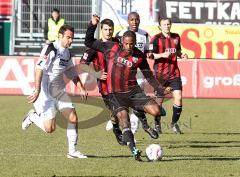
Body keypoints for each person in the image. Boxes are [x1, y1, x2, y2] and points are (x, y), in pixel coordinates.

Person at [85, 15, 165, 161]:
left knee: (156, 111)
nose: (129, 47)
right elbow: (88, 41)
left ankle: (144, 116)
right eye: (127, 44)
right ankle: (134, 151)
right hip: (116, 94)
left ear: (135, 43)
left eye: (132, 44)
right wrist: (92, 25)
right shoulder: (111, 47)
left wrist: (159, 89)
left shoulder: (139, 56)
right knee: (124, 121)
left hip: (134, 91)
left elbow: (148, 75)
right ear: (122, 42)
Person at [22, 25, 88, 158]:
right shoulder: (51, 48)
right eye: (68, 37)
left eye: (72, 38)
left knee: (73, 117)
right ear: (60, 36)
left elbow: (71, 72)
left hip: (60, 91)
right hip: (46, 92)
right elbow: (39, 69)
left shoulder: (68, 53)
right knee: (50, 129)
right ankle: (33, 116)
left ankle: (72, 151)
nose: (70, 41)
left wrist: (81, 87)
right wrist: (37, 89)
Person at [114, 11, 166, 135]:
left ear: (139, 20)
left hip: (139, 72)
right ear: (128, 21)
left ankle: (136, 130)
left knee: (136, 105)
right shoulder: (120, 34)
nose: (134, 22)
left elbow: (148, 53)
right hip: (122, 74)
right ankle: (117, 120)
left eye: (136, 19)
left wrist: (154, 55)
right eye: (131, 19)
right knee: (126, 105)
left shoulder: (145, 35)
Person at [149, 17, 188, 134]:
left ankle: (174, 124)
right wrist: (162, 55)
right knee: (158, 104)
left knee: (179, 98)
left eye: (168, 24)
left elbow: (178, 51)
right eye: (164, 24)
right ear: (160, 26)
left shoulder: (176, 37)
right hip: (160, 76)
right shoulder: (155, 39)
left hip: (174, 74)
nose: (167, 26)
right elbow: (150, 55)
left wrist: (182, 55)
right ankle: (157, 124)